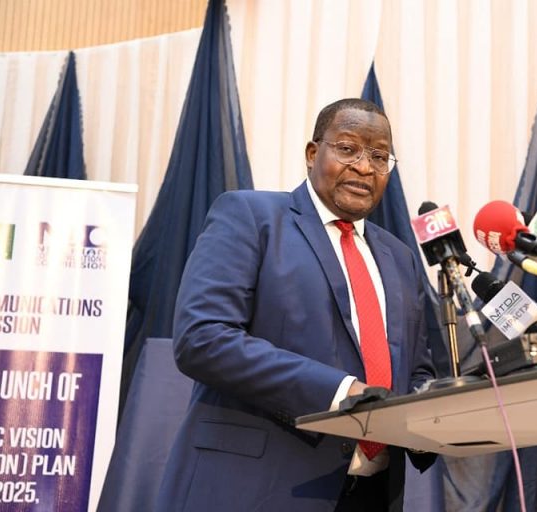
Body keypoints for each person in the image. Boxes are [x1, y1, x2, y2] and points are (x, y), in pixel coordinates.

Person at [156, 98, 436, 511]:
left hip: (373, 493)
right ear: (312, 153)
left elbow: (415, 368)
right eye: (348, 149)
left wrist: (442, 413)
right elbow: (203, 339)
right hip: (257, 490)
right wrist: (340, 392)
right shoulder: (251, 216)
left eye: (380, 157)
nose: (364, 167)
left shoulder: (400, 257)